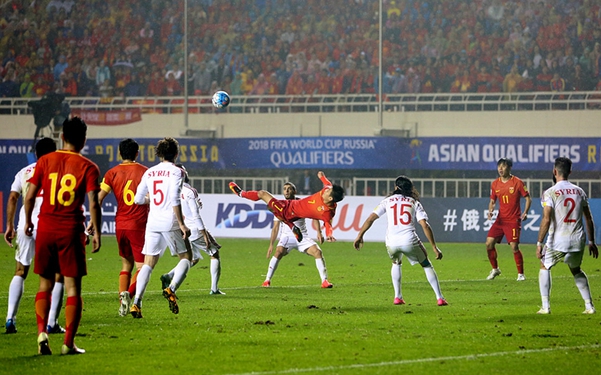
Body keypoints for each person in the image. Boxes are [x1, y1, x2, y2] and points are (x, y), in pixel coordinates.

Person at [24, 117, 101, 355]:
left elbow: (29, 196)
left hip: (45, 227)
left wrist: (27, 221)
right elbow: (93, 203)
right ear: (84, 140)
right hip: (70, 229)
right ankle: (68, 343)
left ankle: (41, 333)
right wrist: (96, 231)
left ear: (62, 137)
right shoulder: (89, 167)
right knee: (72, 288)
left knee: (44, 284)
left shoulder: (45, 160)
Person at [353, 175, 448, 306]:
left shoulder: (387, 201)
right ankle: (440, 298)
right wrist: (434, 247)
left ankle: (397, 297)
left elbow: (370, 219)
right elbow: (424, 225)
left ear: (396, 187)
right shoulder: (414, 202)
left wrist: (359, 236)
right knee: (426, 264)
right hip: (409, 239)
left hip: (391, 241)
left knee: (396, 263)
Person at [4, 138, 66, 335]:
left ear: (36, 153)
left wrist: (9, 225)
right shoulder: (61, 172)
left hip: (25, 225)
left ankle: (10, 319)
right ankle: (52, 322)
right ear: (54, 152)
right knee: (57, 275)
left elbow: (13, 197)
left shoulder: (24, 172)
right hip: (49, 225)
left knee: (20, 271)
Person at [130, 138, 191, 318]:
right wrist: (181, 223)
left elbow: (138, 199)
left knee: (148, 264)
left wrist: (153, 200)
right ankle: (171, 289)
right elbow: (174, 199)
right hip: (169, 220)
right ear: (176, 154)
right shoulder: (177, 172)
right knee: (187, 257)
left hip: (153, 221)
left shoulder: (150, 172)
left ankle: (137, 303)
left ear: (159, 154)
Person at [535, 157, 598, 315]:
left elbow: (546, 218)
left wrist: (539, 243)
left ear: (554, 171)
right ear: (570, 172)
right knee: (576, 269)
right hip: (578, 239)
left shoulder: (550, 192)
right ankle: (589, 306)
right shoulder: (580, 191)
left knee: (545, 266)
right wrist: (591, 241)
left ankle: (545, 307)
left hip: (558, 240)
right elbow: (588, 218)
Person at [94, 138, 148, 316]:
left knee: (126, 264)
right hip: (138, 225)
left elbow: (99, 198)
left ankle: (121, 303)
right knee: (142, 267)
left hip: (120, 225)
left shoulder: (111, 173)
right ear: (137, 154)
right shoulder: (145, 172)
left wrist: (91, 222)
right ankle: (129, 295)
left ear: (119, 153)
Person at [160, 164, 224, 295]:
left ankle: (168, 276)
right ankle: (214, 289)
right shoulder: (190, 191)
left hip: (182, 230)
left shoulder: (170, 191)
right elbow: (195, 215)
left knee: (192, 259)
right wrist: (204, 234)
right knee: (214, 253)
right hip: (194, 229)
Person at [229, 171, 344, 242]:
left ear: (330, 199)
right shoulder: (328, 189)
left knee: (262, 194)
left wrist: (329, 235)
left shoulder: (327, 213)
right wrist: (321, 176)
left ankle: (241, 193)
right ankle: (292, 226)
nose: (326, 190)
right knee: (273, 209)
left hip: (289, 212)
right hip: (289, 204)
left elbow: (328, 225)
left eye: (329, 192)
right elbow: (327, 182)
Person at [261, 182, 333, 289]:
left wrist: (319, 232)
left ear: (295, 191)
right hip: (287, 237)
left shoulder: (303, 203)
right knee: (278, 252)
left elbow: (314, 216)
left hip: (302, 236)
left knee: (318, 252)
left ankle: (324, 281)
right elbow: (275, 227)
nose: (286, 191)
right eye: (285, 189)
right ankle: (267, 280)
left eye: (289, 189)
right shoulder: (279, 205)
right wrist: (271, 244)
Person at [485, 158, 531, 281]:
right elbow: (492, 201)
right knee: (489, 243)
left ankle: (521, 274)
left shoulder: (518, 182)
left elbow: (527, 198)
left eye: (503, 166)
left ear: (509, 168)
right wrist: (490, 210)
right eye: (499, 166)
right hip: (500, 220)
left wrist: (525, 212)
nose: (500, 168)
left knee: (514, 247)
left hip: (513, 220)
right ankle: (495, 269)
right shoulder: (495, 184)